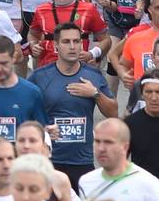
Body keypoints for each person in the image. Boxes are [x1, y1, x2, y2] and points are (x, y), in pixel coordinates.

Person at [30, 22, 117, 189]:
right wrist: (42, 129)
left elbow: (113, 112)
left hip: (82, 161)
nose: (72, 47)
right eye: (66, 42)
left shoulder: (93, 75)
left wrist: (95, 94)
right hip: (48, 160)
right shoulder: (40, 77)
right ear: (56, 46)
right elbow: (25, 116)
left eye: (76, 42)